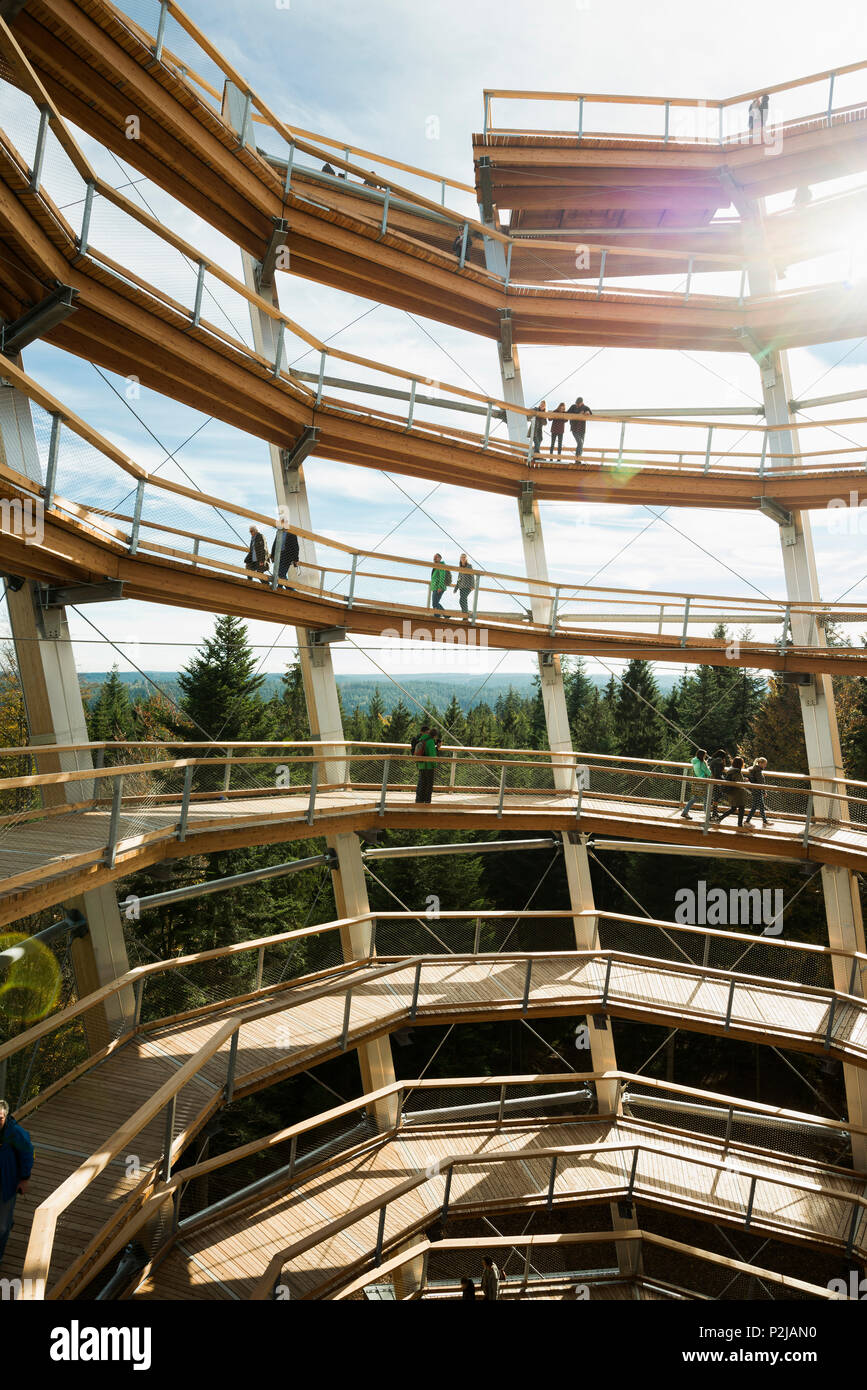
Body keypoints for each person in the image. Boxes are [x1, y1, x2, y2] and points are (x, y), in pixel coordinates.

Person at [0, 1099, 33, 1266]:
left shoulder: (15, 1133)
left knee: (2, 1227)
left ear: (4, 1116)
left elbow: (27, 1153)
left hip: (6, 1184)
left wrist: (24, 1179)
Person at [716, 755, 750, 828]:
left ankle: (720, 818)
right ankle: (739, 824)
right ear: (740, 764)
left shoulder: (730, 770)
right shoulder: (737, 772)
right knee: (741, 808)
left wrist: (743, 779)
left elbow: (735, 780)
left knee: (733, 808)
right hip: (737, 793)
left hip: (731, 792)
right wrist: (745, 781)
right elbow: (739, 782)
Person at [681, 747, 711, 819]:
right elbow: (708, 773)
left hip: (697, 782)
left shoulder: (695, 762)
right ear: (702, 755)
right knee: (706, 799)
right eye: (704, 755)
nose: (705, 757)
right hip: (703, 782)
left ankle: (685, 812)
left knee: (694, 798)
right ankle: (707, 815)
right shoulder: (701, 763)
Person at [270, 519, 300, 586]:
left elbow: (296, 547)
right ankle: (280, 588)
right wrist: (272, 555)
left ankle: (290, 589)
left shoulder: (292, 534)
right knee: (278, 573)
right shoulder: (278, 532)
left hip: (287, 556)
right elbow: (274, 544)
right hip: (278, 555)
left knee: (281, 574)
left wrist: (296, 560)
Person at [745, 756, 772, 827]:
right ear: (760, 763)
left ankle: (765, 821)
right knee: (755, 807)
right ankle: (747, 821)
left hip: (756, 790)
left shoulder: (755, 769)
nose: (765, 766)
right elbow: (761, 783)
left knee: (761, 806)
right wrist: (764, 792)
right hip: (757, 791)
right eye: (764, 764)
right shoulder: (758, 771)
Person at [414, 726, 438, 804]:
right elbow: (432, 755)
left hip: (421, 764)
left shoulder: (421, 739)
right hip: (428, 766)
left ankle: (419, 800)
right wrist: (435, 765)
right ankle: (427, 801)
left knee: (421, 783)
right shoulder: (430, 741)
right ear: (434, 736)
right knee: (428, 785)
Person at [708, 748, 729, 819]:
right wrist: (723, 780)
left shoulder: (713, 760)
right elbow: (718, 773)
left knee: (715, 797)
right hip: (717, 781)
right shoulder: (719, 761)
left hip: (713, 780)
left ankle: (714, 812)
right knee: (717, 797)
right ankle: (714, 813)